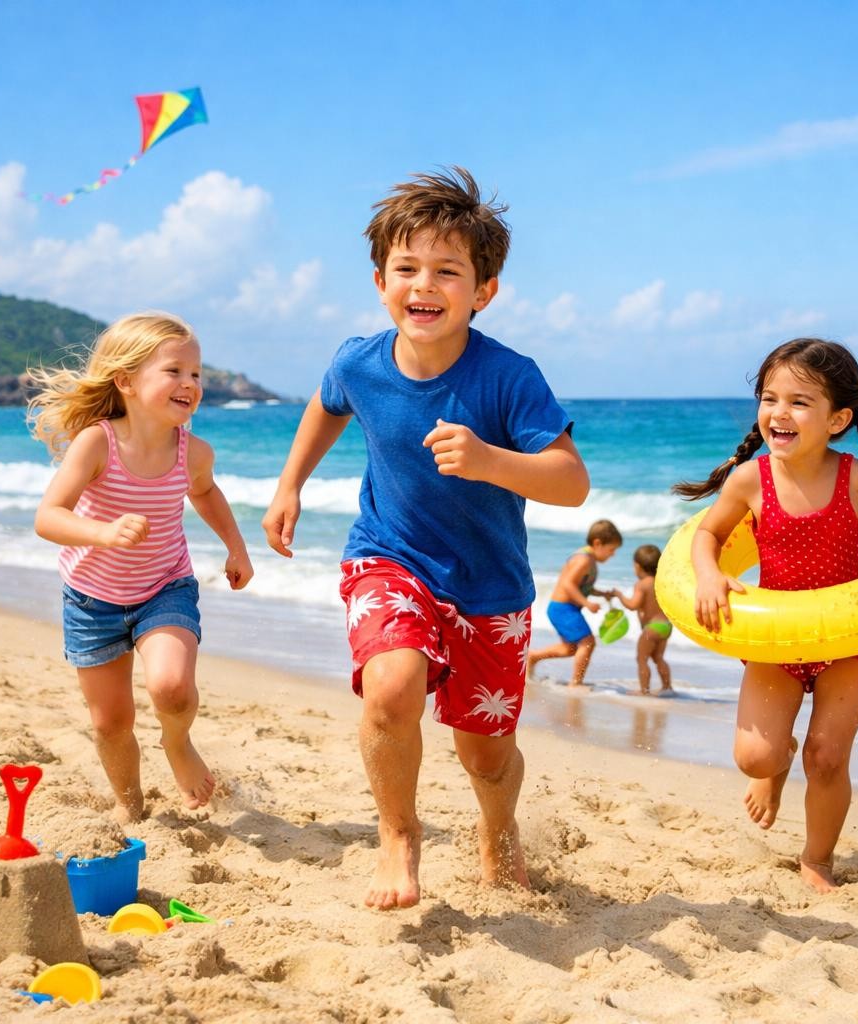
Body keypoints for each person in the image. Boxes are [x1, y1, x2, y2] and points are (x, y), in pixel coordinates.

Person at [261, 167, 589, 910]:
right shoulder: (360, 360)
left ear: (484, 290)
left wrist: (489, 460)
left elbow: (571, 482)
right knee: (391, 686)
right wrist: (290, 485)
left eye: (449, 270)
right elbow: (328, 402)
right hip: (388, 555)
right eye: (408, 268)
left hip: (490, 588)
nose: (425, 284)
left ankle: (498, 835)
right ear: (381, 281)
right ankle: (399, 836)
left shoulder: (509, 377)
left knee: (486, 754)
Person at [674, 338, 858, 894]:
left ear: (837, 418)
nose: (779, 412)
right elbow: (708, 534)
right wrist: (707, 572)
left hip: (851, 641)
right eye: (769, 398)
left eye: (799, 401)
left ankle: (817, 859)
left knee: (826, 756)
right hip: (776, 642)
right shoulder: (751, 481)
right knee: (755, 756)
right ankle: (776, 766)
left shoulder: (857, 480)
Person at [29, 312, 253, 823]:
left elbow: (205, 493)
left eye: (196, 374)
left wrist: (236, 548)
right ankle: (130, 807)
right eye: (174, 371)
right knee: (110, 722)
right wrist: (103, 533)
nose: (190, 384)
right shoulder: (97, 442)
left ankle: (177, 743)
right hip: (92, 599)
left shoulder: (192, 452)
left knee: (172, 689)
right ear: (126, 381)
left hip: (164, 587)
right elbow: (48, 517)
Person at [526, 519, 621, 687]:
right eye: (611, 550)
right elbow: (568, 584)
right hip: (563, 608)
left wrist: (601, 594)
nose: (612, 554)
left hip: (564, 609)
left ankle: (533, 656)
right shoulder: (584, 560)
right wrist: (587, 603)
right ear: (598, 543)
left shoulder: (589, 560)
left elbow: (583, 586)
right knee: (588, 642)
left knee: (569, 648)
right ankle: (576, 683)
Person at [612, 543, 673, 695]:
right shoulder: (661, 583)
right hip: (665, 626)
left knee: (641, 659)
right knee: (658, 658)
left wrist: (619, 595)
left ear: (637, 566)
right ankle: (667, 688)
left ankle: (644, 690)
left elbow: (633, 605)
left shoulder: (642, 584)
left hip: (651, 629)